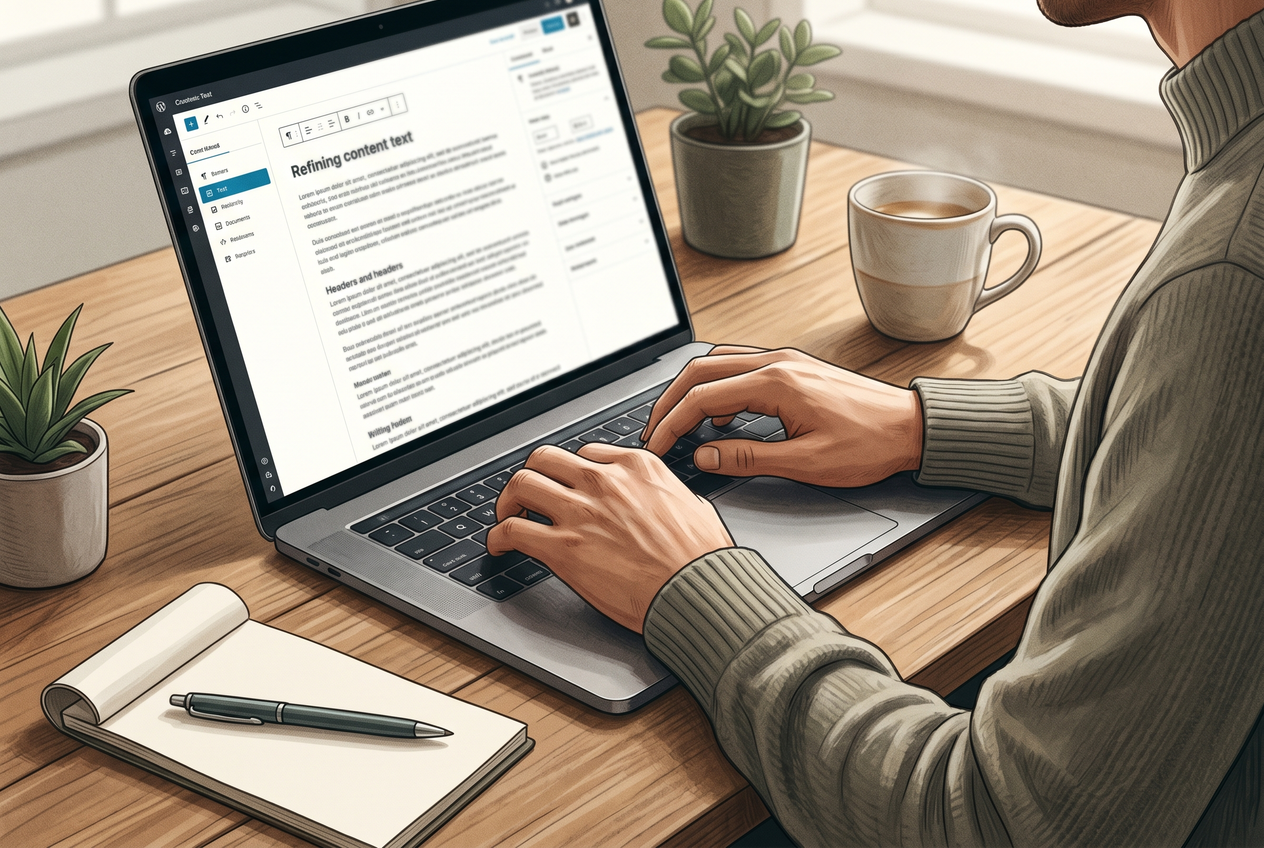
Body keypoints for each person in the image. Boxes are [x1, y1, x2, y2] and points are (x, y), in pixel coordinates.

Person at [486, 0, 1264, 843]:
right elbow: (1208, 425)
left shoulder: (1231, 274)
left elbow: (997, 824)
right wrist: (920, 425)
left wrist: (692, 583)